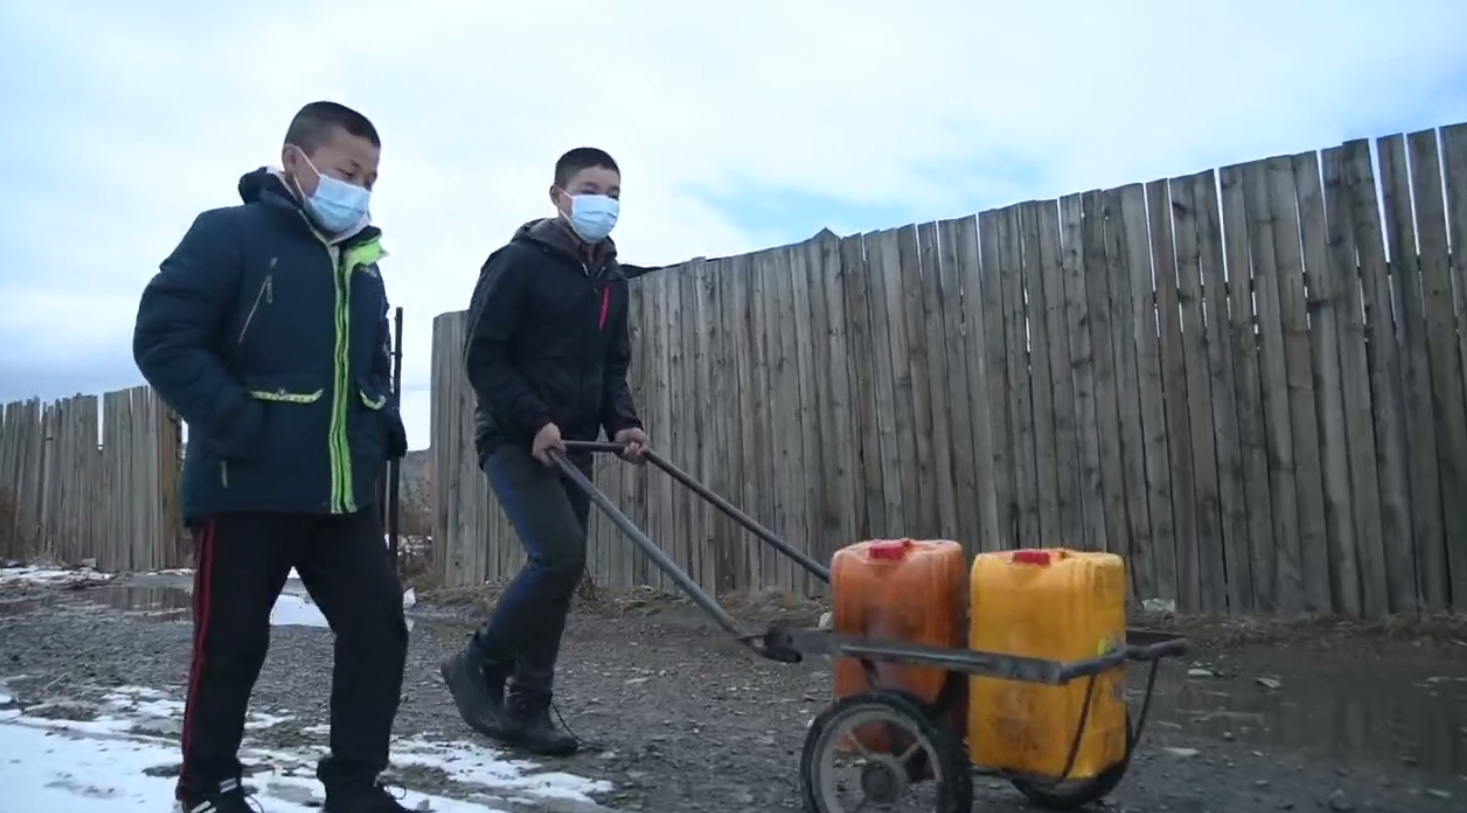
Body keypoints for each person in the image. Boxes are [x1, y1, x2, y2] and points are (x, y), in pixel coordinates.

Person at [132, 101, 412, 813]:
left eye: (372, 177)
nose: (362, 188)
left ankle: (353, 786)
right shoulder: (229, 235)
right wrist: (239, 422)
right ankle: (206, 789)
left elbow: (367, 366)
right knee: (230, 645)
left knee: (379, 626)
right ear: (296, 160)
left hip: (337, 493)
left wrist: (382, 423)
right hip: (244, 485)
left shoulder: (362, 263)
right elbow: (164, 337)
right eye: (349, 170)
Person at [442, 146, 649, 756]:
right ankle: (477, 664)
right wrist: (533, 420)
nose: (603, 202)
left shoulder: (612, 278)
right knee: (557, 555)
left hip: (573, 444)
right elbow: (484, 356)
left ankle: (528, 707)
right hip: (514, 436)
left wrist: (624, 424)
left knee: (563, 572)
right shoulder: (518, 264)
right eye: (591, 189)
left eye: (613, 192)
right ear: (559, 196)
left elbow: (612, 368)